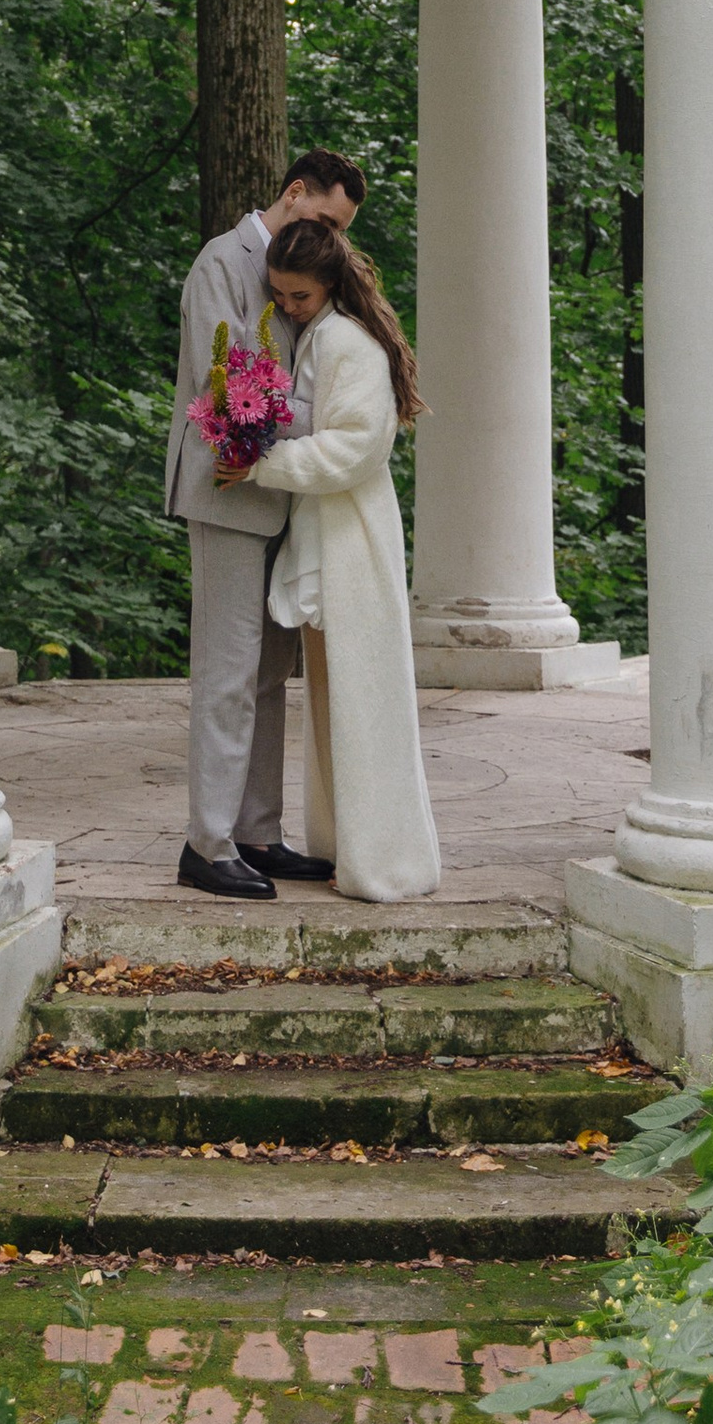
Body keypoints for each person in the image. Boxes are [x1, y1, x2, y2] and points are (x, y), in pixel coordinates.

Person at [164, 149, 367, 898]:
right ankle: (206, 843)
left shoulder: (301, 273)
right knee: (226, 669)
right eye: (327, 221)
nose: (332, 241)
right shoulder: (224, 260)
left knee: (269, 672)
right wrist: (337, 422)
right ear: (294, 194)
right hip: (226, 490)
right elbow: (232, 388)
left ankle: (255, 831)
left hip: (282, 491)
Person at [245, 207, 441, 903]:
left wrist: (263, 463)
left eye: (299, 294)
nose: (287, 306)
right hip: (328, 536)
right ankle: (343, 848)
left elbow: (358, 446)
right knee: (334, 703)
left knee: (365, 703)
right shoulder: (317, 335)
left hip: (353, 541)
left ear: (329, 282)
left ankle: (385, 861)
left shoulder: (348, 343)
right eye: (279, 294)